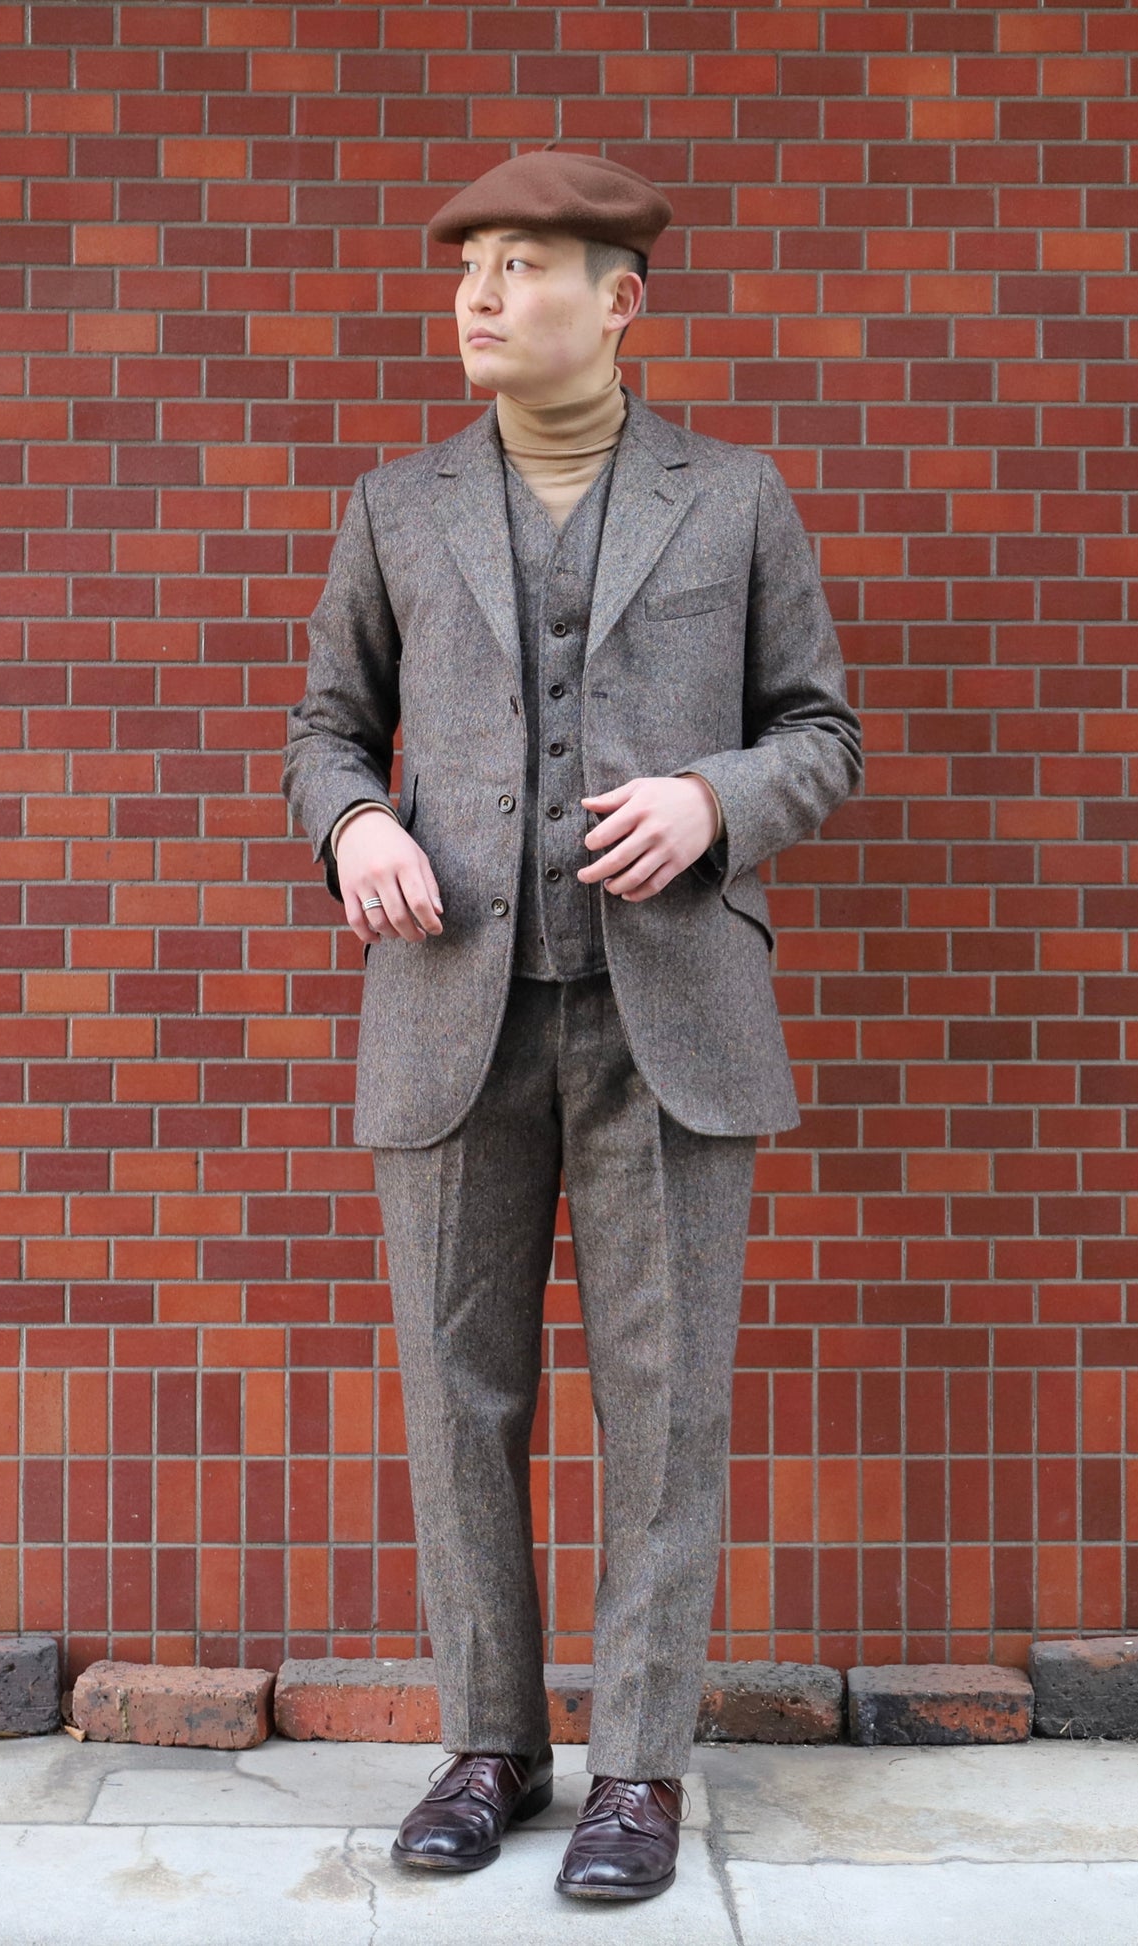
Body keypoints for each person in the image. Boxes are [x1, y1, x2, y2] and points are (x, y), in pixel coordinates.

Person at [282, 148, 862, 1903]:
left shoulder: (735, 498)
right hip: (448, 1009)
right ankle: (490, 1743)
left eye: (519, 264)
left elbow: (821, 732)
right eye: (466, 264)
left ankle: (638, 1769)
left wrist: (713, 798)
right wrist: (353, 825)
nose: (476, 294)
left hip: (668, 1016)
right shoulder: (395, 507)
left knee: (663, 1407)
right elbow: (324, 729)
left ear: (618, 302)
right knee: (457, 1395)